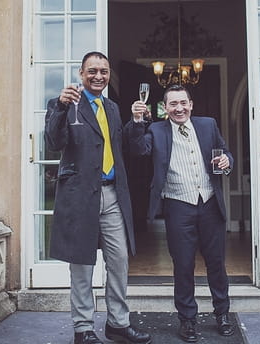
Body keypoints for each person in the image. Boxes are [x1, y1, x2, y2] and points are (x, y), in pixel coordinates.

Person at [45, 51, 151, 344]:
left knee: (118, 263)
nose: (98, 76)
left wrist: (137, 121)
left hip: (113, 195)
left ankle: (118, 324)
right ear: (81, 74)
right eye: (92, 71)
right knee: (82, 266)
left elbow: (124, 145)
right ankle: (83, 328)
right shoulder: (65, 104)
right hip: (80, 197)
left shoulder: (113, 108)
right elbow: (54, 142)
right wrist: (62, 109)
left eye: (103, 71)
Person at [126, 84, 235, 343]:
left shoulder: (208, 125)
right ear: (165, 108)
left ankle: (222, 314)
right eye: (173, 104)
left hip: (209, 203)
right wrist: (137, 120)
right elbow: (138, 149)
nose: (179, 108)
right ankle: (187, 320)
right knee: (183, 265)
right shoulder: (157, 130)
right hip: (178, 206)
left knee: (217, 264)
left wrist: (227, 161)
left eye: (183, 103)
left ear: (191, 104)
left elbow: (225, 152)